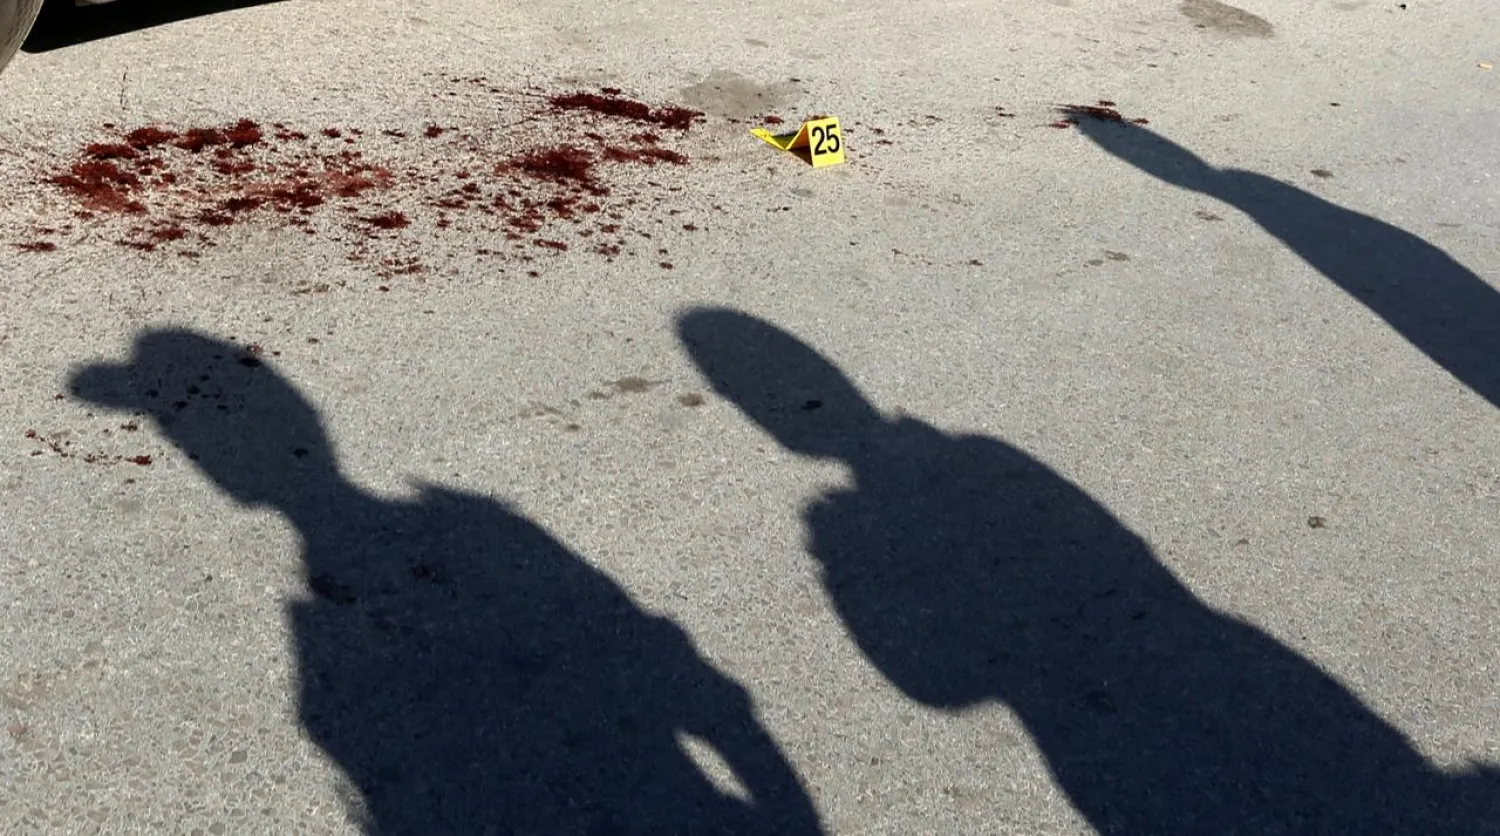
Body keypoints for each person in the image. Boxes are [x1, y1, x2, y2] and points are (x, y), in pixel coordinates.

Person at [679, 307, 1498, 835]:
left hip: (1128, 752)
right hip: (1260, 679)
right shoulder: (983, 458)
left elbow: (935, 685)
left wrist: (840, 555)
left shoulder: (898, 497)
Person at [71, 328, 822, 836]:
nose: (200, 451)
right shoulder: (481, 528)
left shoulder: (478, 528)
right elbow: (698, 688)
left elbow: (686, 678)